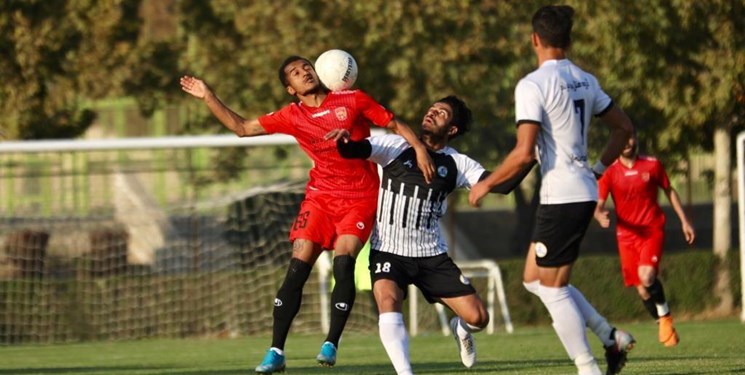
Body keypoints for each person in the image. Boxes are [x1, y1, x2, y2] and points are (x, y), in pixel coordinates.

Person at [180, 55, 436, 374]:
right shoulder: (291, 116)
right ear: (290, 88)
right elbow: (242, 128)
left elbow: (394, 123)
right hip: (320, 197)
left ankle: (331, 343)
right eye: (295, 73)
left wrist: (421, 149)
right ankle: (276, 351)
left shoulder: (352, 99)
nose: (304, 72)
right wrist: (208, 95)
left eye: (306, 67)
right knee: (298, 266)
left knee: (344, 263)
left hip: (359, 196)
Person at [468, 5, 637, 375]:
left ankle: (587, 367)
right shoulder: (586, 79)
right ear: (569, 40)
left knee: (554, 287)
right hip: (578, 190)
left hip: (561, 194)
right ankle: (610, 336)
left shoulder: (532, 85)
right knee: (533, 279)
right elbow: (624, 128)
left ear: (534, 39)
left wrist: (486, 184)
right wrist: (596, 170)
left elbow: (524, 151)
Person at [329, 96, 533, 374]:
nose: (431, 113)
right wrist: (343, 141)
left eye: (441, 113)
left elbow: (502, 185)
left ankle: (459, 329)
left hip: (431, 255)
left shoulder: (457, 163)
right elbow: (354, 150)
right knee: (388, 301)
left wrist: (531, 157)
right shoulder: (396, 145)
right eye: (432, 108)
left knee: (479, 317)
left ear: (452, 130)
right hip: (388, 249)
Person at [594, 132, 695, 347]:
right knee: (641, 288)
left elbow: (669, 190)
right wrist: (599, 214)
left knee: (647, 276)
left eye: (630, 138)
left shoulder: (652, 166)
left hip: (651, 230)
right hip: (626, 236)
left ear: (636, 140)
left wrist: (684, 221)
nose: (627, 143)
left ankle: (665, 318)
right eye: (623, 139)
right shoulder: (610, 172)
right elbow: (599, 204)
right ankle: (663, 322)